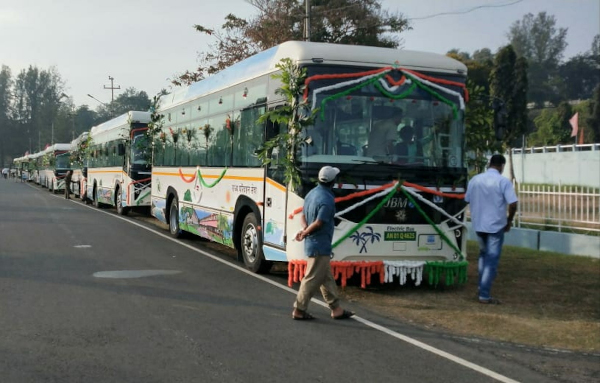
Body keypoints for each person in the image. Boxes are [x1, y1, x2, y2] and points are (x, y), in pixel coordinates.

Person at [292, 166, 355, 320]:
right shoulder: (327, 199)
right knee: (311, 279)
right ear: (333, 181)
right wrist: (306, 232)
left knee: (326, 277)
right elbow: (320, 222)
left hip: (315, 244)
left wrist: (304, 229)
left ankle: (336, 308)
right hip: (319, 245)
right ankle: (299, 310)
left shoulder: (312, 193)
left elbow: (302, 215)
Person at [465, 154, 518, 305]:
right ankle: (484, 294)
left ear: (489, 163)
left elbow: (467, 199)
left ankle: (481, 287)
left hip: (479, 224)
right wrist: (509, 220)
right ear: (502, 165)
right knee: (491, 260)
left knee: (483, 256)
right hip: (495, 226)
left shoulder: (475, 179)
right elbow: (513, 204)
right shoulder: (503, 181)